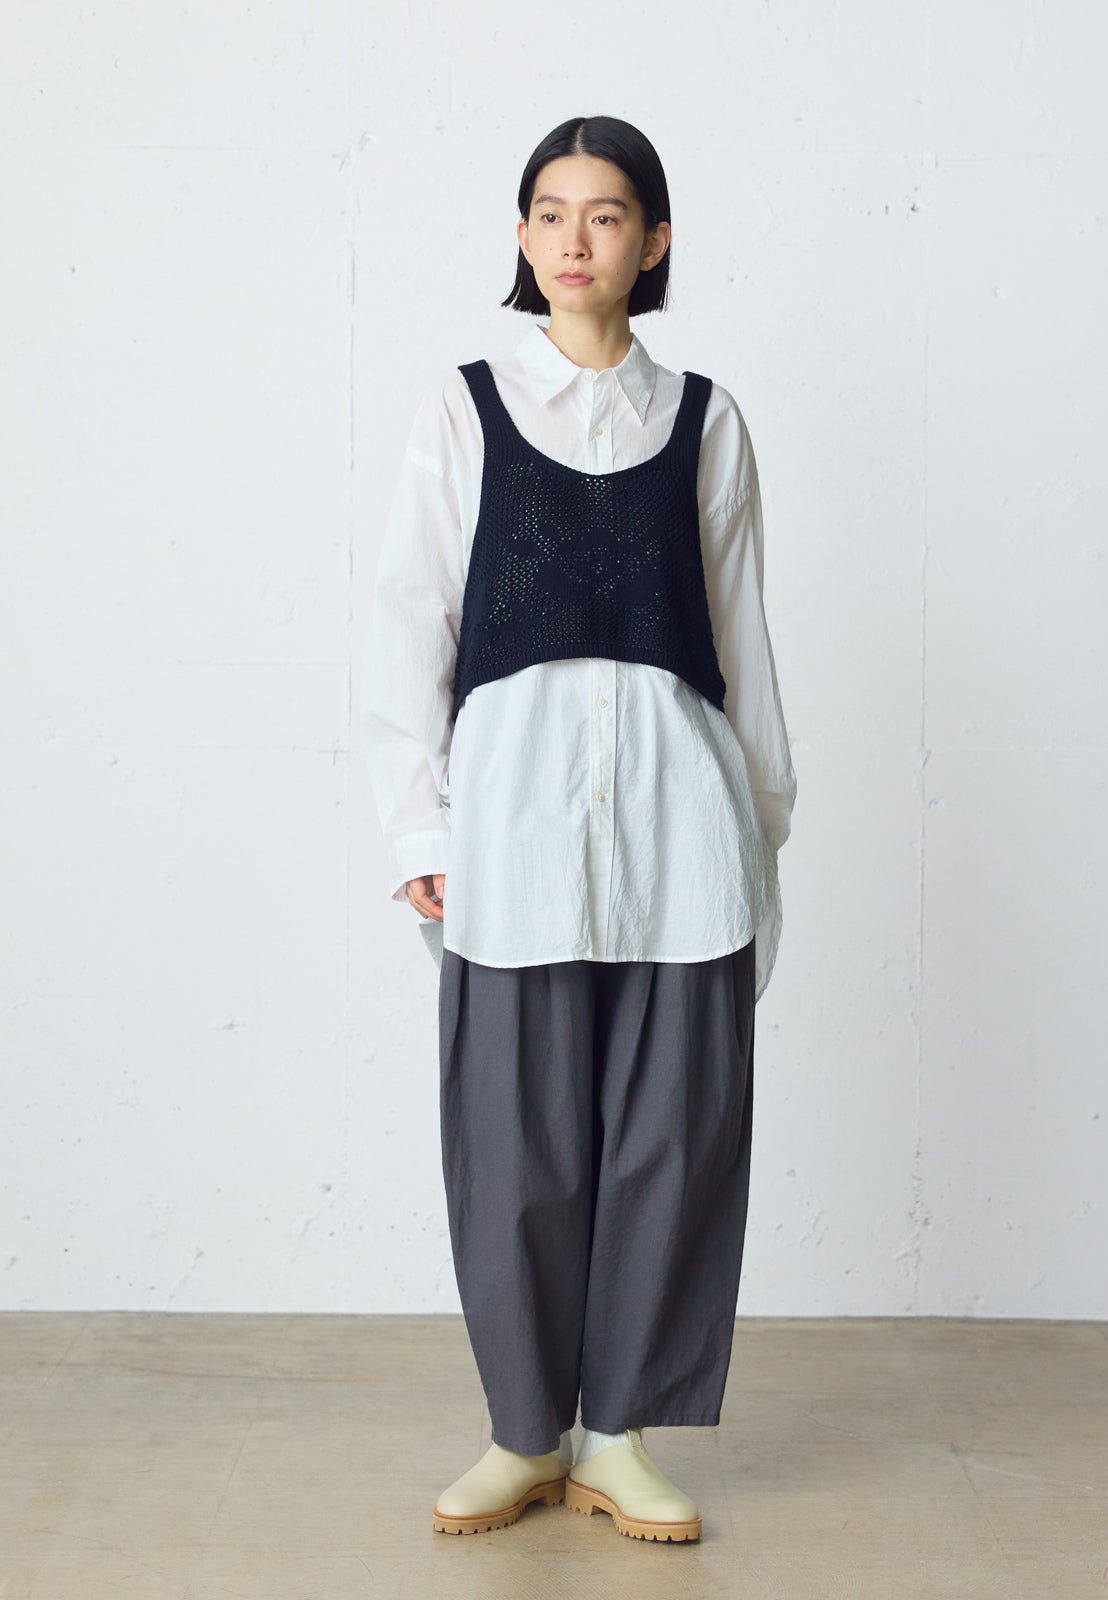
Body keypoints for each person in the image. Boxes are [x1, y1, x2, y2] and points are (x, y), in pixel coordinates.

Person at [359, 113, 796, 1544]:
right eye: (549, 212)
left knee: (670, 1142)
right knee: (515, 1142)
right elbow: (409, 623)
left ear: (652, 242)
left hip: (683, 836)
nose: (573, 238)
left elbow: (741, 644)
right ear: (521, 234)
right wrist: (417, 827)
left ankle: (618, 1436)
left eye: (605, 215)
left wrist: (762, 837)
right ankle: (522, 1431)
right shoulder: (465, 409)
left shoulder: (709, 422)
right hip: (512, 836)